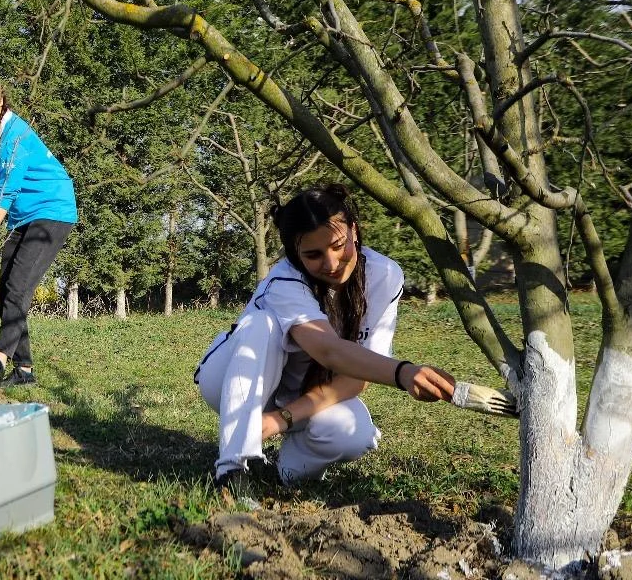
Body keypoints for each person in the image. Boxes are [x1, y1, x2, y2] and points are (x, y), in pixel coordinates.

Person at [194, 184, 456, 492]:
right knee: (262, 323)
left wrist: (282, 419)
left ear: (354, 230)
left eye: (338, 245)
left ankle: (291, 469)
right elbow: (328, 350)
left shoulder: (384, 275)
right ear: (295, 253)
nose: (331, 264)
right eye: (313, 254)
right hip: (230, 380)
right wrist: (404, 372)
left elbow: (357, 377)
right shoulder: (284, 281)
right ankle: (231, 469)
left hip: (302, 394)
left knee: (353, 434)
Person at [0, 74, 78, 389]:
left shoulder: (17, 136)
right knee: (6, 289)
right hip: (24, 218)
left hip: (52, 212)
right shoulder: (0, 134)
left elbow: (6, 195)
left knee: (18, 287)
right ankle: (24, 369)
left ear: (0, 100)